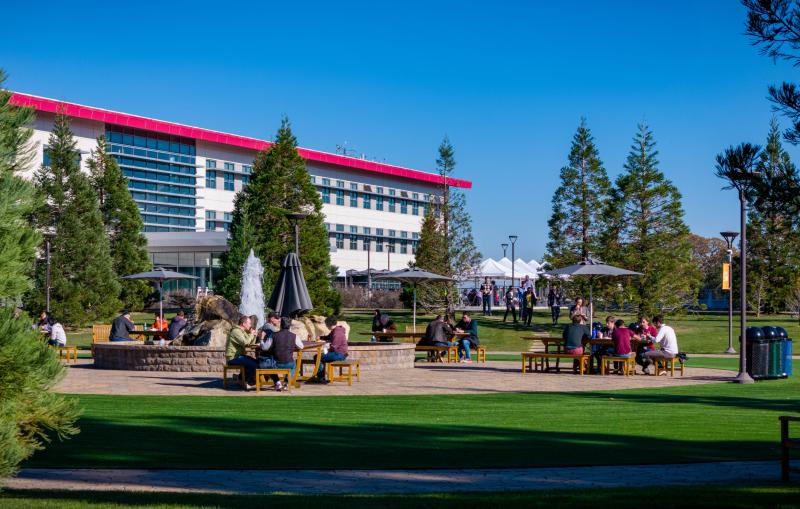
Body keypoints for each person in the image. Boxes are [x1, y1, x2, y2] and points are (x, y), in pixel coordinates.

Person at [313, 316, 349, 383]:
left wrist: (326, 350)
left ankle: (321, 377)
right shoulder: (336, 330)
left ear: (329, 324)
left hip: (340, 354)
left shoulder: (337, 333)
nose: (326, 326)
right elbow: (328, 337)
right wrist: (320, 337)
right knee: (320, 356)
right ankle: (321, 376)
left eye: (326, 324)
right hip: (339, 353)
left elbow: (334, 347)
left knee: (317, 357)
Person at [225, 315, 258, 388]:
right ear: (243, 324)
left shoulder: (243, 332)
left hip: (240, 356)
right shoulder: (236, 331)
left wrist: (254, 335)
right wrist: (251, 334)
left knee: (256, 362)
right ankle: (250, 383)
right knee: (253, 365)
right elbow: (245, 342)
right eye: (249, 323)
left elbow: (251, 344)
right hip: (233, 358)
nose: (250, 325)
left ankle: (240, 378)